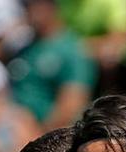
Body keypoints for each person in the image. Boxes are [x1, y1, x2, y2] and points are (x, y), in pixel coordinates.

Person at [9, 0, 97, 131]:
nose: (27, 10)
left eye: (32, 4)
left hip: (47, 136)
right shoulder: (21, 49)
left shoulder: (73, 50)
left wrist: (35, 136)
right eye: (25, 5)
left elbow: (71, 107)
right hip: (11, 129)